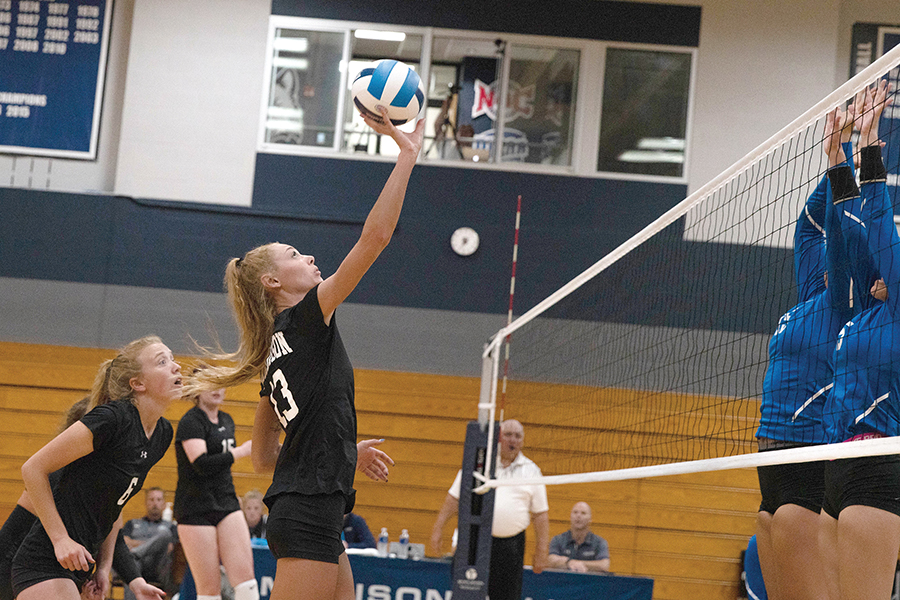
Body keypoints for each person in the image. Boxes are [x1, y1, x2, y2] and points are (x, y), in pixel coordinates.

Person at [188, 107, 423, 600]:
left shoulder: (275, 348)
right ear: (273, 282)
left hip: (313, 508)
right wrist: (406, 157)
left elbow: (265, 458)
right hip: (309, 511)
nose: (310, 257)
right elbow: (375, 238)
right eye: (295, 255)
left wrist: (339, 452)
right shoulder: (308, 318)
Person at [752, 91, 857, 600]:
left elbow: (838, 229)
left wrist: (846, 162)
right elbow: (810, 226)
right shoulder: (811, 297)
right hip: (769, 451)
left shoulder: (845, 302)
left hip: (809, 450)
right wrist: (836, 151)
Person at [10, 335, 180, 600]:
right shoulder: (112, 419)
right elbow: (32, 468)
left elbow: (113, 509)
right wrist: (60, 539)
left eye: (172, 358)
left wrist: (108, 569)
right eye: (162, 361)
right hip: (42, 562)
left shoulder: (162, 434)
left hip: (76, 566)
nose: (175, 366)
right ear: (137, 383)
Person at [821, 80, 899, 600]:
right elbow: (848, 232)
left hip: (882, 465)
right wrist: (835, 157)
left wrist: (869, 144)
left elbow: (876, 222)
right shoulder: (861, 315)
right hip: (835, 462)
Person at [430, 419, 550, 600]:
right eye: (508, 434)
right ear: (498, 438)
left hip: (511, 547)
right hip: (475, 541)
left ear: (523, 441)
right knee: (466, 594)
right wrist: (438, 529)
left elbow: (541, 514)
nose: (513, 440)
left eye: (518, 436)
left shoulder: (532, 471)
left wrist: (541, 551)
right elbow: (454, 498)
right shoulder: (478, 463)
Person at [174, 368, 258, 600]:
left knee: (247, 582)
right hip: (195, 508)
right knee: (209, 590)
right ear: (197, 390)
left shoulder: (227, 420)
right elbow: (201, 463)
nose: (217, 389)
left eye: (220, 383)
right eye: (210, 384)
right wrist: (239, 452)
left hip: (226, 502)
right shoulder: (191, 421)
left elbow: (221, 466)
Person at [120, 487, 179, 598]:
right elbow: (124, 543)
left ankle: (136, 554)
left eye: (158, 500)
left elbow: (170, 548)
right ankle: (135, 556)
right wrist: (153, 544)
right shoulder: (132, 523)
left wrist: (136, 544)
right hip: (137, 565)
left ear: (163, 503)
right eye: (151, 500)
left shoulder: (171, 527)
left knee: (164, 535)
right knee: (132, 563)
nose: (155, 503)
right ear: (146, 502)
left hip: (158, 566)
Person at [547, 501, 610, 573]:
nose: (578, 516)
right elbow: (551, 560)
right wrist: (569, 563)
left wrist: (579, 563)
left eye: (583, 513)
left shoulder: (600, 542)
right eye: (575, 512)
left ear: (590, 519)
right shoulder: (558, 539)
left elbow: (604, 565)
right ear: (570, 517)